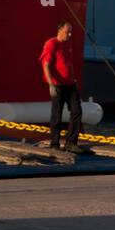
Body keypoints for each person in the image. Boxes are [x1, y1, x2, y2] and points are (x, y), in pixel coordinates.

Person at [41, 20, 82, 151]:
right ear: (59, 31)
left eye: (70, 32)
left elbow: (69, 63)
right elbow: (46, 64)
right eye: (67, 32)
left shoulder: (68, 43)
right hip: (58, 85)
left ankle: (71, 143)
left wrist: (74, 78)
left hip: (70, 84)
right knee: (56, 115)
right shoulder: (51, 44)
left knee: (76, 111)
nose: (69, 34)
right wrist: (51, 85)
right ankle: (55, 144)